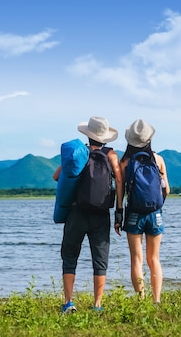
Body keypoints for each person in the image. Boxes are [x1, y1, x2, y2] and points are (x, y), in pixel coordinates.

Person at [53, 116, 124, 313]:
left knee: (69, 257)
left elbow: (56, 176)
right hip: (101, 214)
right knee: (100, 260)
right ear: (105, 137)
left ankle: (68, 303)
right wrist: (119, 211)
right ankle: (97, 305)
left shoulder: (79, 154)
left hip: (76, 212)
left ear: (88, 135)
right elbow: (119, 180)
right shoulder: (111, 155)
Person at [119, 119, 170, 303]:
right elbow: (167, 190)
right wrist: (156, 205)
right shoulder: (158, 159)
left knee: (136, 259)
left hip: (133, 214)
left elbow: (121, 192)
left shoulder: (124, 162)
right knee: (154, 259)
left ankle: (141, 300)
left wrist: (119, 216)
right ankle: (156, 301)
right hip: (155, 214)